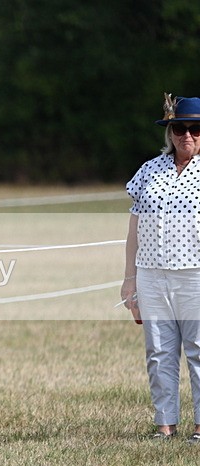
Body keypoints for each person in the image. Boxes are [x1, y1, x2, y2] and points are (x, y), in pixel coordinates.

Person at [122, 94, 200, 442]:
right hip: (152, 273)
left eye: (196, 129)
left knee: (198, 351)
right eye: (180, 128)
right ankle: (165, 424)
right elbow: (134, 227)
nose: (187, 136)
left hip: (194, 273)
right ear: (170, 131)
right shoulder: (150, 170)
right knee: (158, 351)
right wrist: (129, 280)